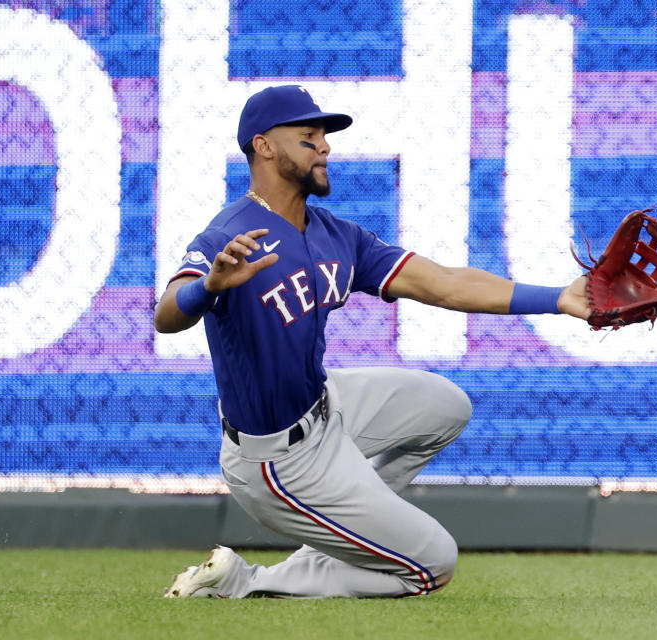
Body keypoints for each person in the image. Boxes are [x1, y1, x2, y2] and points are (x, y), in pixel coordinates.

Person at [156, 85, 595, 599]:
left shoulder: (336, 235)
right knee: (432, 563)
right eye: (308, 136)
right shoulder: (230, 236)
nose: (324, 146)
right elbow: (166, 314)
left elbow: (445, 283)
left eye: (324, 136)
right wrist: (207, 288)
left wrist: (560, 297)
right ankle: (248, 581)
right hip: (275, 459)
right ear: (265, 147)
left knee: (444, 406)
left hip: (327, 406)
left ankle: (344, 532)